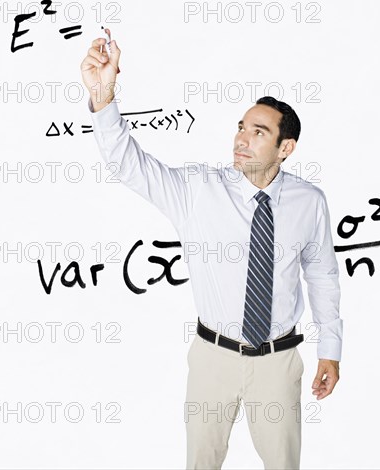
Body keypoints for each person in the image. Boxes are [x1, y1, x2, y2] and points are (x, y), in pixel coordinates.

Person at [80, 30, 342, 470]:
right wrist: (103, 95)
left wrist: (330, 350)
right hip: (212, 360)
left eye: (259, 132)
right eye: (241, 126)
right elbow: (127, 164)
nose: (242, 138)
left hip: (278, 363)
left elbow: (322, 276)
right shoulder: (198, 190)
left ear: (286, 148)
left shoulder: (309, 202)